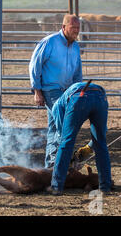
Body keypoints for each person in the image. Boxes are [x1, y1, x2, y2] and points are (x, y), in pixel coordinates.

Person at [29, 14, 83, 168]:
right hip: (51, 89)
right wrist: (37, 91)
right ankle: (58, 161)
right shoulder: (50, 42)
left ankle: (51, 165)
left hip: (68, 90)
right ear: (64, 27)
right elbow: (35, 65)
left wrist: (78, 91)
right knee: (65, 122)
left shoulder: (75, 46)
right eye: (73, 28)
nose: (76, 31)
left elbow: (77, 70)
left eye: (78, 28)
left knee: (55, 126)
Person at [48, 81, 112, 195]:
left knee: (66, 142)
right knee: (101, 143)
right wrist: (89, 148)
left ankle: (56, 186)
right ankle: (105, 186)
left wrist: (69, 160)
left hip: (79, 96)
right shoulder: (64, 99)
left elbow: (63, 138)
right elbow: (103, 131)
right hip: (101, 96)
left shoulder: (57, 108)